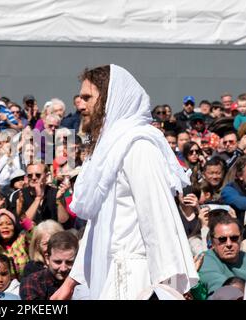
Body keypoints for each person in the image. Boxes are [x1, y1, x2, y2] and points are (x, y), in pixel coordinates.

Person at [52, 64, 198, 300]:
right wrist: (70, 283)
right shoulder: (108, 149)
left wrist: (174, 289)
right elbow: (96, 224)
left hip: (134, 279)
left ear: (110, 100)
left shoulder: (138, 146)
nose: (80, 104)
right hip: (106, 273)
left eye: (88, 97)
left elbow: (157, 218)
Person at [20, 231, 79, 300]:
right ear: (47, 258)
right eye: (58, 262)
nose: (63, 268)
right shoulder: (32, 282)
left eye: (69, 262)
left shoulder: (85, 282)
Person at [198, 214, 246, 296]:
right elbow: (217, 283)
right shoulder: (205, 259)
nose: (229, 244)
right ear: (212, 242)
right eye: (222, 239)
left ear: (241, 238)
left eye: (234, 238)